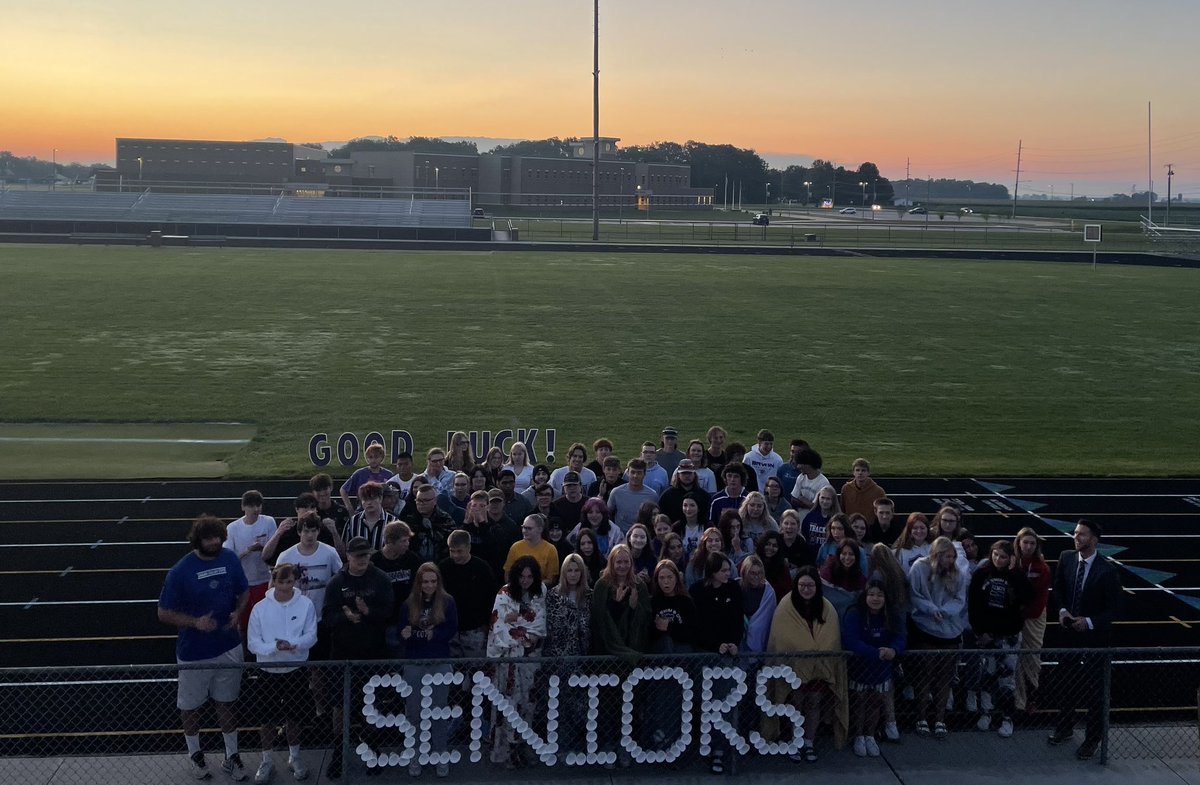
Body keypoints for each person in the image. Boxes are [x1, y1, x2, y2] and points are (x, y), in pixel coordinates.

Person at [158, 515, 250, 781]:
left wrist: (238, 613)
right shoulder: (180, 571)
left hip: (229, 645)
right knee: (191, 707)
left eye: (218, 537)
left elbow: (243, 592)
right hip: (194, 651)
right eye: (209, 538)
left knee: (228, 702)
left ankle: (232, 754)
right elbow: (163, 613)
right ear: (197, 539)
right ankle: (195, 753)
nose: (215, 542)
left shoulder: (230, 559)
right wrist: (194, 622)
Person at [1047, 519, 1121, 761]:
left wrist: (1088, 622)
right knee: (1064, 683)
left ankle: (1092, 739)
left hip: (1094, 640)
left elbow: (1114, 609)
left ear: (1094, 540)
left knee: (1095, 692)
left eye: (1081, 534)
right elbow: (1057, 590)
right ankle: (1064, 727)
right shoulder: (1066, 558)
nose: (1076, 537)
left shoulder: (1107, 570)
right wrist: (1062, 612)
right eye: (1075, 533)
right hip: (1068, 635)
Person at [765, 566, 848, 763]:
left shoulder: (827, 607)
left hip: (820, 668)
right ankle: (795, 739)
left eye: (810, 585)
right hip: (794, 668)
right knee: (796, 703)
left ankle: (809, 742)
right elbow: (782, 637)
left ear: (817, 586)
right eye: (802, 585)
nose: (806, 589)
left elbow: (832, 637)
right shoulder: (785, 606)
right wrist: (806, 647)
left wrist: (815, 649)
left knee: (814, 702)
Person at [246, 563, 318, 784]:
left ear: (295, 582)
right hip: (267, 673)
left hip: (295, 671)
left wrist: (293, 645)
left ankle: (294, 757)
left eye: (290, 582)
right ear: (274, 581)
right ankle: (266, 761)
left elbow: (311, 636)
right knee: (266, 720)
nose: (285, 586)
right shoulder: (259, 608)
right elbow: (252, 643)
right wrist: (274, 648)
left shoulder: (306, 605)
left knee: (294, 717)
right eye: (281, 581)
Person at [966, 540, 1033, 739]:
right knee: (987, 675)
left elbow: (1027, 597)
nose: (998, 559)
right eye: (995, 555)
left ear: (1011, 558)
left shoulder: (1016, 575)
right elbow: (974, 606)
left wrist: (1015, 572)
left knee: (1007, 679)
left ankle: (1007, 717)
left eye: (1003, 556)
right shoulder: (981, 573)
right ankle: (985, 713)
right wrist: (981, 632)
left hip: (1008, 637)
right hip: (986, 637)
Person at [397, 562, 458, 778]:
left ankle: (440, 753)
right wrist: (416, 635)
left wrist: (422, 634)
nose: (430, 585)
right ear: (419, 583)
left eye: (433, 581)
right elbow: (402, 634)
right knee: (414, 712)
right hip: (414, 662)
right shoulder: (408, 604)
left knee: (439, 712)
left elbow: (449, 630)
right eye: (426, 581)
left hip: (439, 661)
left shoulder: (448, 602)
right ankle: (415, 754)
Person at [487, 556, 547, 768]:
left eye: (530, 576)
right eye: (522, 576)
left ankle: (523, 748)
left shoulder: (540, 591)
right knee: (506, 708)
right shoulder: (504, 593)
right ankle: (504, 751)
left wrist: (518, 617)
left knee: (527, 707)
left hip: (530, 663)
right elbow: (500, 627)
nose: (526, 580)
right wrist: (524, 628)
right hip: (507, 663)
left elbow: (539, 626)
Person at [908, 536, 969, 741]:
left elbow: (960, 599)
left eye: (952, 557)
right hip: (925, 629)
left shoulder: (957, 573)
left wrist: (945, 611)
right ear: (936, 555)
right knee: (924, 675)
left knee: (945, 678)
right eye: (946, 557)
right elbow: (914, 594)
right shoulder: (919, 568)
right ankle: (921, 717)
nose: (950, 561)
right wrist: (930, 609)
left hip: (949, 631)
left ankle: (940, 719)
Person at [690, 550, 745, 774]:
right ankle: (702, 747)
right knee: (704, 705)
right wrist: (715, 645)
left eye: (728, 570)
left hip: (727, 659)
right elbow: (698, 626)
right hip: (705, 656)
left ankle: (720, 750)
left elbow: (737, 620)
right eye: (723, 570)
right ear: (712, 572)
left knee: (724, 706)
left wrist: (733, 643)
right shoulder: (697, 592)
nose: (727, 574)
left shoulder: (734, 589)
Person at [841, 579, 906, 758]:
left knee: (876, 702)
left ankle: (870, 735)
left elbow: (901, 636)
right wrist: (874, 652)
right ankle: (858, 736)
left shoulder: (892, 614)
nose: (875, 598)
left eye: (879, 595)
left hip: (882, 667)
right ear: (865, 595)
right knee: (859, 702)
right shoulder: (854, 612)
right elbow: (850, 639)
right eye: (871, 594)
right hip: (860, 666)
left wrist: (894, 650)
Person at [865, 543, 909, 742]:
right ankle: (891, 724)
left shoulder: (877, 575)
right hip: (897, 624)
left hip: (882, 626)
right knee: (888, 682)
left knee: (879, 685)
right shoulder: (898, 574)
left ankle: (882, 724)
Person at [223, 490, 277, 636]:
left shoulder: (269, 522)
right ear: (243, 507)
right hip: (243, 584)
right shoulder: (233, 528)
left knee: (265, 621)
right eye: (252, 506)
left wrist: (264, 549)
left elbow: (275, 550)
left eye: (258, 505)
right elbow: (229, 559)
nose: (256, 509)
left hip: (264, 580)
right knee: (243, 623)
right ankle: (246, 653)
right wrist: (249, 550)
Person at [438, 530, 496, 659]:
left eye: (459, 551)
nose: (455, 555)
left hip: (475, 628)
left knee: (476, 668)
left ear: (469, 548)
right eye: (452, 551)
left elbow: (491, 598)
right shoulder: (443, 567)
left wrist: (488, 624)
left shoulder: (482, 568)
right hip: (449, 627)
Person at [1013, 527, 1052, 714]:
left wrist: (1024, 612)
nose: (1028, 546)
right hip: (1014, 615)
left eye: (1032, 543)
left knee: (1032, 657)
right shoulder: (1012, 563)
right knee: (1015, 658)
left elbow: (1040, 599)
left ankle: (1032, 698)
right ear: (1018, 543)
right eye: (1025, 542)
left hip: (1033, 617)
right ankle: (1018, 700)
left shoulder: (1042, 568)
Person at [591, 544, 651, 663]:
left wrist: (635, 607)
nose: (622, 566)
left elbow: (647, 616)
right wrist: (616, 604)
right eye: (618, 562)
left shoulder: (639, 585)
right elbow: (598, 617)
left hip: (633, 642)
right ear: (612, 563)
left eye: (626, 562)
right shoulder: (602, 585)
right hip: (607, 646)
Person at [371, 521, 422, 655]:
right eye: (403, 541)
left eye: (408, 540)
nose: (407, 544)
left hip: (407, 619)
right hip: (383, 621)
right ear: (390, 541)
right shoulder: (375, 562)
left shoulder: (412, 559)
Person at [263, 492, 345, 567]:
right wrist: (278, 533)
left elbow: (341, 556)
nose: (309, 511)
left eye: (312, 507)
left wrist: (334, 532)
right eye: (305, 507)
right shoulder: (288, 531)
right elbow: (266, 556)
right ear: (297, 509)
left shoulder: (324, 530)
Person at [545, 553, 593, 657]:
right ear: (564, 572)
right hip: (557, 656)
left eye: (576, 570)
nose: (573, 574)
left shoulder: (590, 596)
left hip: (584, 656)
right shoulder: (553, 595)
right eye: (569, 570)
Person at [399, 483, 456, 564]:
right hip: (412, 563)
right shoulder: (408, 519)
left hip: (440, 562)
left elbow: (451, 545)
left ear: (435, 501)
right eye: (418, 500)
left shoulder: (445, 519)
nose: (421, 503)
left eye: (426, 500)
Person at [503, 513, 560, 585]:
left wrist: (531, 586)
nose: (524, 531)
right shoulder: (515, 547)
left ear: (540, 529)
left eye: (529, 528)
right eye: (523, 527)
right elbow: (507, 575)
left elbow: (551, 579)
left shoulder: (550, 549)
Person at [341, 481, 396, 553]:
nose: (369, 503)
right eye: (365, 499)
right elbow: (345, 548)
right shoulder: (353, 521)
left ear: (380, 498)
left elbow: (397, 548)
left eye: (372, 498)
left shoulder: (393, 522)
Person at [339, 442, 394, 513]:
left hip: (384, 511)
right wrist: (349, 508)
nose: (373, 460)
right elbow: (343, 490)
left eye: (376, 457)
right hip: (363, 510)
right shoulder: (359, 474)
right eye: (370, 457)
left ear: (382, 458)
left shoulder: (388, 475)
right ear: (366, 459)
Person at [820, 539, 867, 618]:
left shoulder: (860, 578)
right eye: (844, 554)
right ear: (838, 554)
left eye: (851, 554)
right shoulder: (827, 573)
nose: (847, 557)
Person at [608, 458, 661, 528]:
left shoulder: (652, 495)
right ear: (627, 473)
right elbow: (608, 514)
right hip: (620, 535)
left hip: (643, 535)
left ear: (644, 474)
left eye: (639, 473)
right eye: (633, 472)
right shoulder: (616, 492)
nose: (635, 476)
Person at [739, 554, 776, 652]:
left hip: (759, 640)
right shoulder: (736, 586)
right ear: (745, 572)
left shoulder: (768, 592)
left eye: (759, 573)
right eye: (752, 573)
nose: (756, 577)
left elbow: (768, 620)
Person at [658, 458, 712, 524]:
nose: (687, 476)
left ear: (694, 474)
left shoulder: (704, 496)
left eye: (689, 473)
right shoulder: (667, 496)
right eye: (684, 473)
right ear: (678, 475)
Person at [840, 458, 886, 526]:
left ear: (868, 473)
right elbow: (842, 510)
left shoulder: (878, 492)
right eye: (857, 470)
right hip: (850, 527)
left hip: (870, 528)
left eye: (863, 470)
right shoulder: (846, 489)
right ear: (853, 472)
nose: (860, 473)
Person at [309, 473, 350, 545]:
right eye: (318, 490)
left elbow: (346, 543)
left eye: (325, 489)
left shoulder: (342, 512)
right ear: (313, 492)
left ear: (331, 488)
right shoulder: (309, 512)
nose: (322, 493)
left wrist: (334, 531)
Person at [801, 485, 840, 557]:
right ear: (818, 498)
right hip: (810, 556)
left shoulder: (838, 519)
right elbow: (804, 533)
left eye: (828, 499)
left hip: (829, 556)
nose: (825, 501)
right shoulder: (810, 516)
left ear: (833, 501)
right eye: (822, 498)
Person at [757, 531, 793, 602]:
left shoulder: (782, 567)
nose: (770, 548)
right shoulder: (754, 562)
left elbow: (788, 591)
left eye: (775, 546)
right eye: (767, 544)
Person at [774, 439, 810, 506]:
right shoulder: (783, 469)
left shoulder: (810, 472)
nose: (795, 455)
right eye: (793, 451)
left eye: (799, 452)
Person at [778, 509, 813, 578]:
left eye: (793, 524)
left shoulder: (803, 544)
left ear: (798, 526)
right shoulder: (776, 541)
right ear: (781, 525)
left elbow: (808, 567)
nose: (789, 527)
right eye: (786, 523)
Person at [674, 493, 705, 557]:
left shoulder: (707, 525)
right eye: (685, 505)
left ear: (698, 507)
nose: (688, 509)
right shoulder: (676, 527)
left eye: (692, 505)